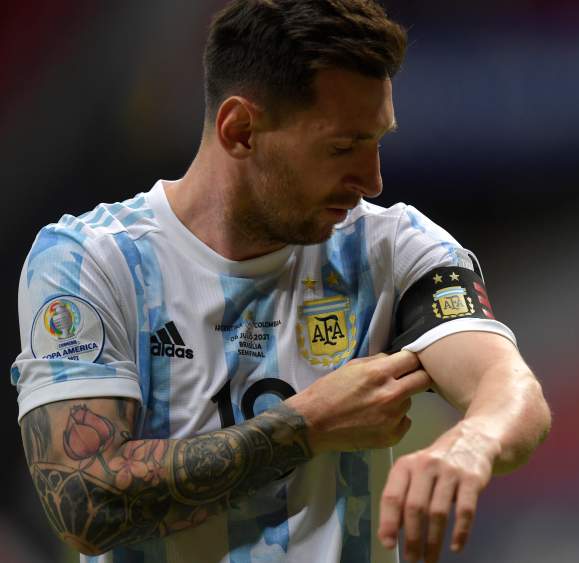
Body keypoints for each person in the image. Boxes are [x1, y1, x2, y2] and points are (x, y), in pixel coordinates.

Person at [11, 1, 551, 562]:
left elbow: (512, 389)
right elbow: (81, 503)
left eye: (377, 141)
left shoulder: (392, 247)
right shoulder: (90, 262)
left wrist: (472, 444)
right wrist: (307, 424)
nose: (372, 180)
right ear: (241, 130)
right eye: (342, 147)